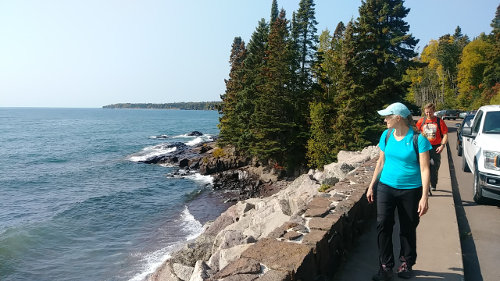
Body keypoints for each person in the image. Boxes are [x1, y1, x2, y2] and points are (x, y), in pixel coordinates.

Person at [367, 102, 431, 281]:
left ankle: (406, 263)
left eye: (388, 116)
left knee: (408, 228)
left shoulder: (419, 139)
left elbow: (425, 169)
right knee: (383, 225)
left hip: (411, 190)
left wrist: (424, 196)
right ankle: (386, 267)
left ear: (398, 118)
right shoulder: (386, 135)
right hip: (386, 187)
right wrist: (372, 185)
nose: (385, 120)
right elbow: (381, 161)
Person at [415, 103, 448, 191]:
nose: (428, 114)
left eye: (430, 112)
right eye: (426, 112)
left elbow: (445, 135)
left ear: (434, 111)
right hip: (423, 147)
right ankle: (423, 184)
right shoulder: (421, 121)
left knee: (434, 167)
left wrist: (442, 145)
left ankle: (433, 184)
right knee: (422, 166)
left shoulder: (439, 121)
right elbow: (415, 133)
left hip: (435, 147)